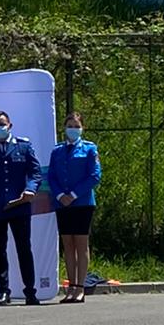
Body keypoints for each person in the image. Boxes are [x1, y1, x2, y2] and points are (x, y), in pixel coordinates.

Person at [0, 110, 44, 305]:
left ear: (10, 125)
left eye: (2, 124)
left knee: (24, 249)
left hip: (19, 207)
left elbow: (35, 173)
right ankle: (4, 290)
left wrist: (30, 189)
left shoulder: (23, 146)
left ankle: (30, 291)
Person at [48, 111, 102, 304]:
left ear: (82, 128)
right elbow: (51, 176)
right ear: (64, 128)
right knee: (68, 245)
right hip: (62, 203)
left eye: (76, 126)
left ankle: (80, 287)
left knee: (81, 244)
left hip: (82, 203)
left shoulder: (89, 149)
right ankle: (71, 286)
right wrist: (60, 195)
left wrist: (73, 195)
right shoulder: (57, 151)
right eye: (70, 126)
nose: (73, 129)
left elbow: (94, 176)